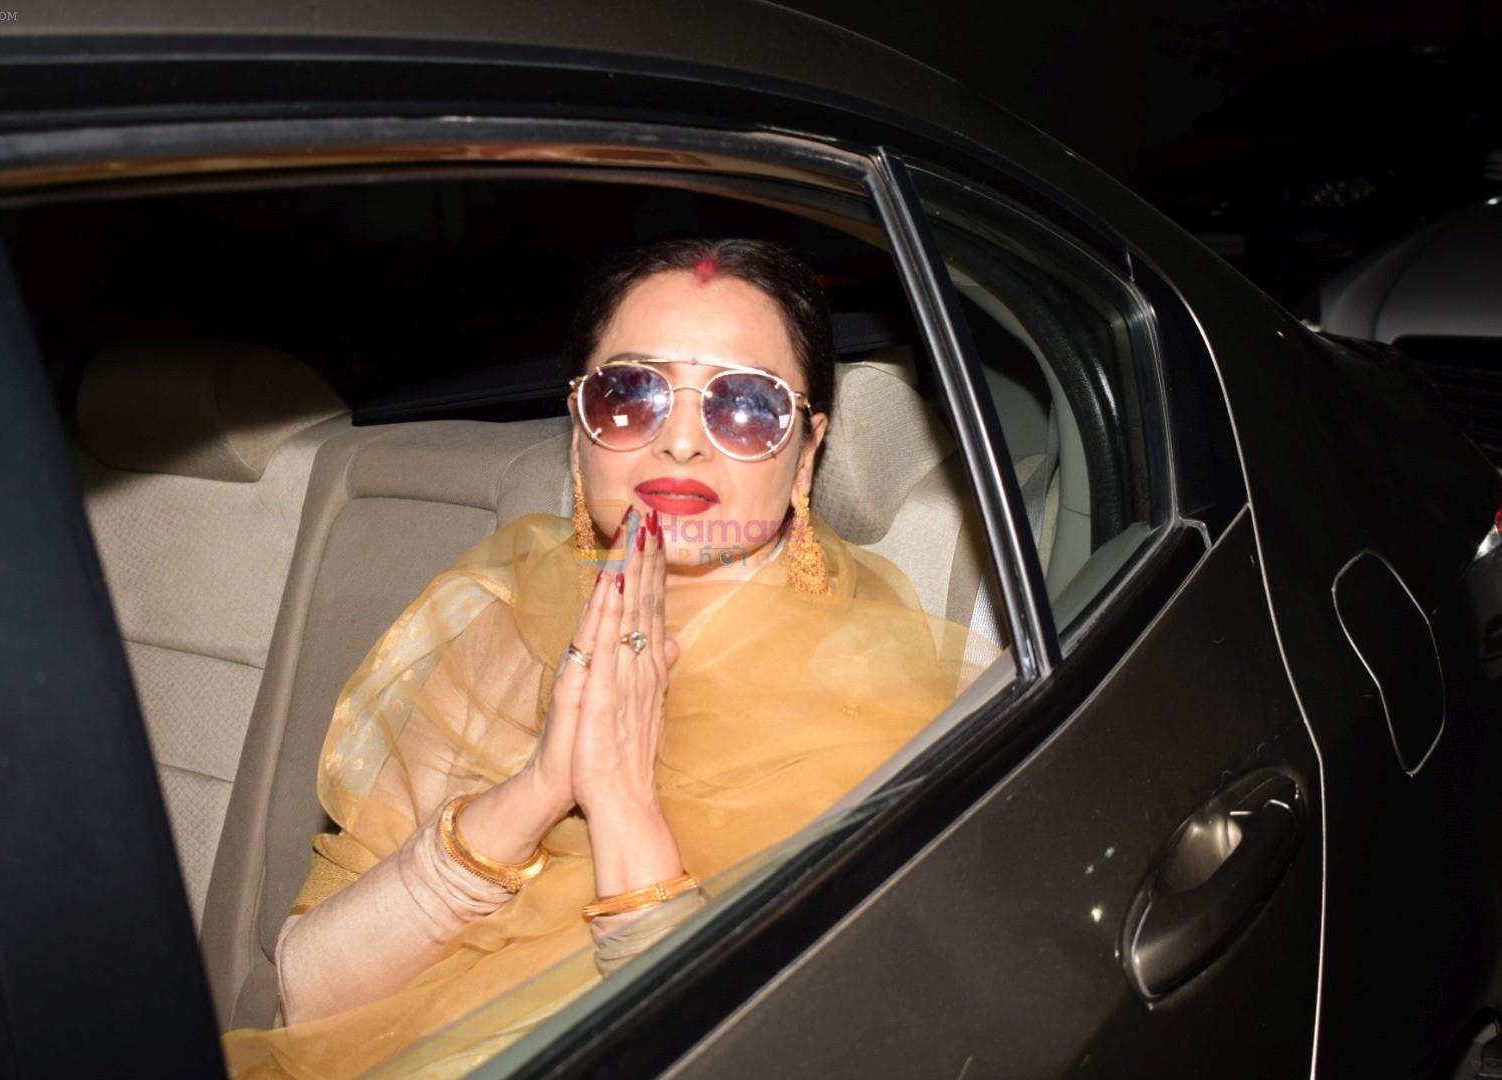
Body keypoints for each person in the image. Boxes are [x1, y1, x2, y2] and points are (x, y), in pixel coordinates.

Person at [221, 238, 993, 1079]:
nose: (682, 444)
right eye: (631, 396)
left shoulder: (886, 703)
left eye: (743, 405)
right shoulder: (513, 616)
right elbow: (308, 992)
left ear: (806, 452)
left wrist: (622, 804)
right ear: (580, 431)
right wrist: (539, 789)